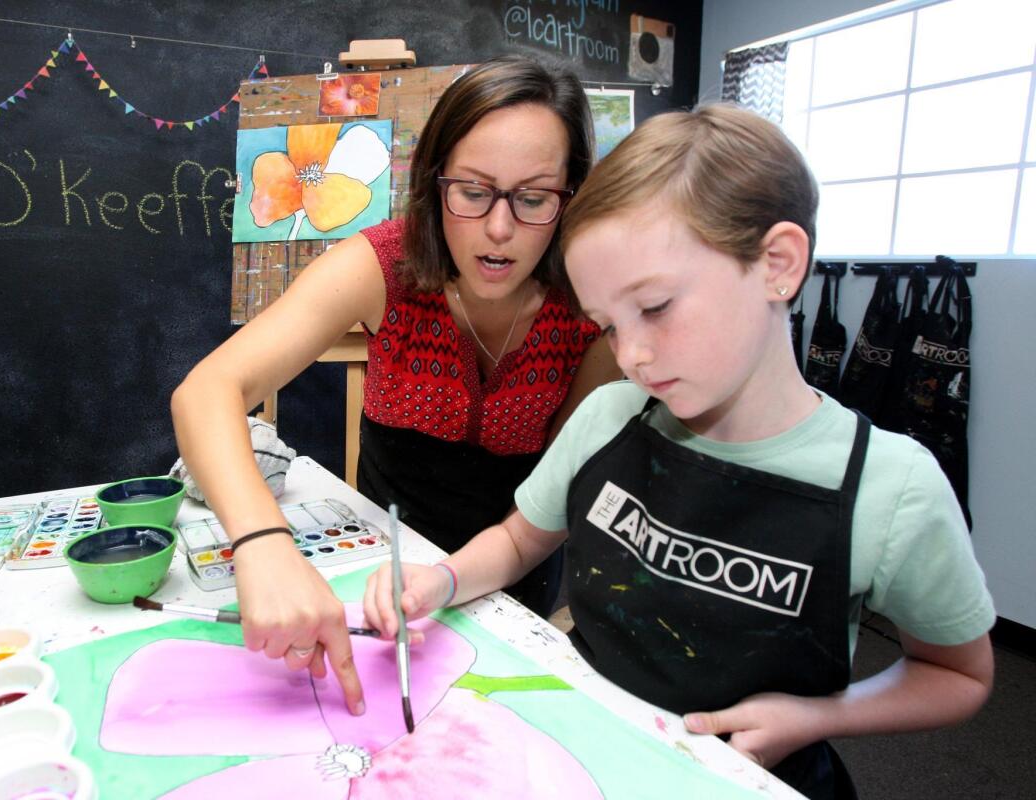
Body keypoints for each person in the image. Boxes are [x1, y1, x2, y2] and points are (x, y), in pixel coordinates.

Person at [363, 104, 995, 798]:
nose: (631, 356)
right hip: (584, 756)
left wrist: (813, 716)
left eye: (657, 307)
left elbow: (959, 674)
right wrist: (441, 580)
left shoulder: (890, 486)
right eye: (607, 326)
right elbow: (519, 543)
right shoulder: (607, 417)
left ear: (777, 264)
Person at [171, 56, 618, 717]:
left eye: (533, 198)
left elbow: (561, 486)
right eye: (473, 191)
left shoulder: (595, 303)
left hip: (510, 575)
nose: (500, 230)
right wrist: (263, 545)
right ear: (435, 183)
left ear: (571, 196)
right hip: (375, 563)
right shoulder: (381, 263)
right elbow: (207, 390)